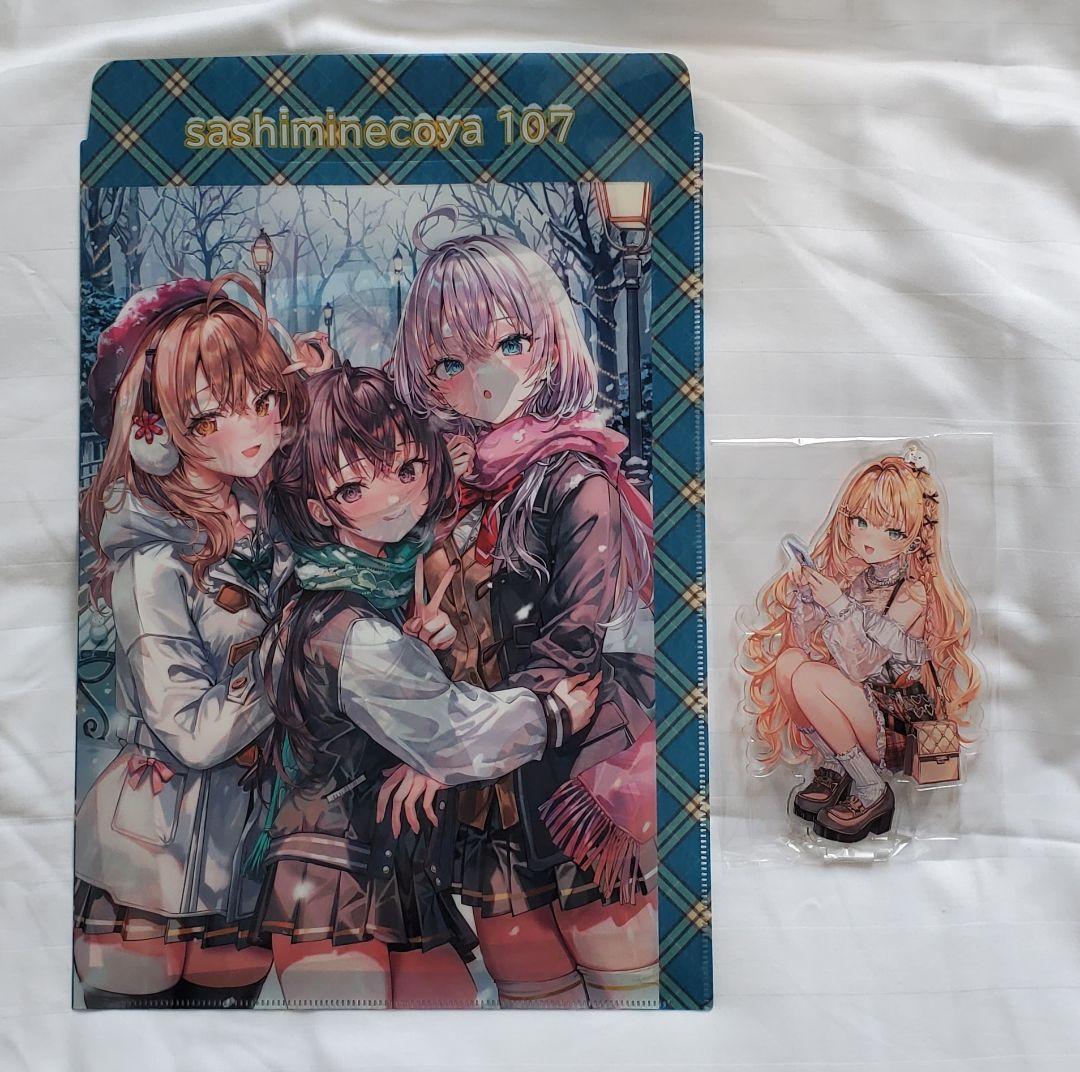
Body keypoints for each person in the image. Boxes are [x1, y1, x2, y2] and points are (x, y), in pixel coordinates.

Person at [253, 365, 600, 1009]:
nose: (391, 497)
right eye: (355, 485)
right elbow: (451, 732)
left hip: (394, 867)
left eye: (407, 469)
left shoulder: (355, 598)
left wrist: (419, 649)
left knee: (447, 1025)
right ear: (316, 507)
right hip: (331, 871)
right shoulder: (349, 625)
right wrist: (550, 713)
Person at [387, 212, 659, 1009]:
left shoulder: (577, 481)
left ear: (548, 342)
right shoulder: (454, 493)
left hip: (578, 777)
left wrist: (450, 748)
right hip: (492, 800)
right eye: (450, 361)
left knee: (627, 1006)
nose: (485, 378)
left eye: (509, 343)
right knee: (532, 1011)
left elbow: (573, 644)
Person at [74, 273, 325, 1008]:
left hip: (244, 846)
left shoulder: (265, 518)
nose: (256, 426)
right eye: (217, 411)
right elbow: (188, 729)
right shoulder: (151, 560)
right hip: (150, 851)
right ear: (156, 428)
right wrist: (289, 656)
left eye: (264, 399)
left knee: (230, 1038)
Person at [742, 446, 980, 842]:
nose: (870, 538)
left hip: (894, 724)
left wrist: (837, 604)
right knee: (790, 663)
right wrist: (808, 600)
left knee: (810, 678)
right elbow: (814, 647)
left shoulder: (912, 593)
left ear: (912, 539)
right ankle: (837, 765)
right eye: (861, 522)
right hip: (859, 709)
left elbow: (862, 667)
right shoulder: (859, 581)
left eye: (892, 531)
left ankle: (872, 788)